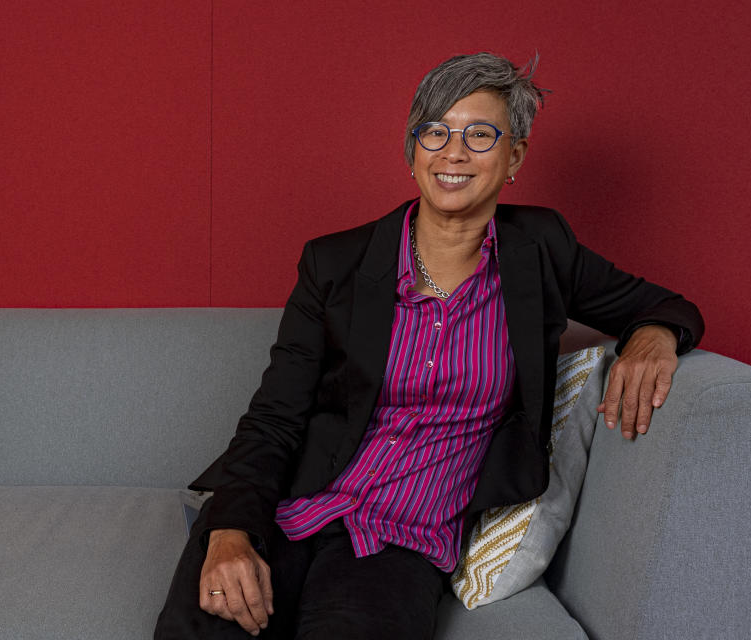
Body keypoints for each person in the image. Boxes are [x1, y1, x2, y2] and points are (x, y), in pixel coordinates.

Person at [154, 52, 704, 639]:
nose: (454, 152)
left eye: (481, 134)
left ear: (514, 156)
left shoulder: (541, 250)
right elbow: (274, 418)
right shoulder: (335, 263)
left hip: (404, 537)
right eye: (435, 131)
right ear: (412, 149)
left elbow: (667, 306)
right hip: (290, 507)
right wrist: (232, 532)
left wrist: (652, 335)